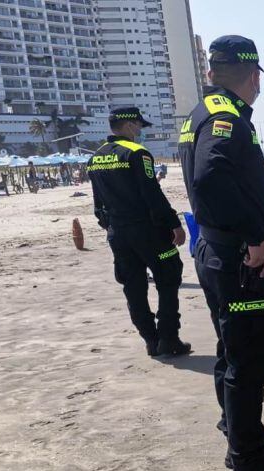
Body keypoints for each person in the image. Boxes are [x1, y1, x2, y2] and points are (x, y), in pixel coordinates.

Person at [179, 35, 264, 471]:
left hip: (220, 251)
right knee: (251, 358)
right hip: (239, 258)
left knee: (232, 350)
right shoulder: (226, 117)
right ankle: (249, 466)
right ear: (254, 76)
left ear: (212, 71)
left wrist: (260, 215)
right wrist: (254, 236)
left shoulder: (201, 112)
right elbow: (211, 178)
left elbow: (219, 181)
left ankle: (243, 439)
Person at [88, 106, 190, 358]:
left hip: (118, 233)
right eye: (140, 127)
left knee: (133, 286)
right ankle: (168, 338)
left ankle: (150, 340)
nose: (141, 132)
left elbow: (97, 203)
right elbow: (151, 194)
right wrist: (173, 223)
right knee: (168, 277)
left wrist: (110, 227)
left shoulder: (96, 157)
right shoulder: (138, 154)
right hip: (148, 231)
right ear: (130, 125)